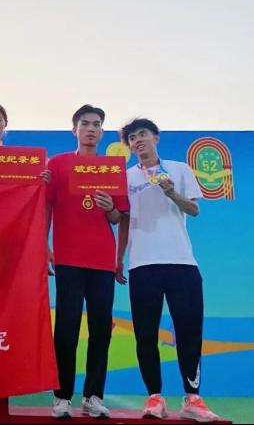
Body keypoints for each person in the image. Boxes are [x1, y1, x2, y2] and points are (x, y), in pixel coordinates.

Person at [117, 118, 219, 422]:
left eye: (143, 134)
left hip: (182, 263)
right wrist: (118, 258)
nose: (138, 140)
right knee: (145, 334)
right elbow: (122, 220)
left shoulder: (179, 169)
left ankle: (193, 399)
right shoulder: (126, 177)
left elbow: (194, 209)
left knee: (188, 331)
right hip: (142, 265)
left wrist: (171, 193)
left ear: (156, 137)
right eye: (132, 138)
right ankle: (155, 398)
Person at [47, 104, 128, 419]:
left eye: (96, 124)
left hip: (102, 260)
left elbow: (117, 217)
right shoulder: (58, 164)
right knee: (66, 328)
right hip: (68, 258)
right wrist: (43, 245)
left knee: (101, 329)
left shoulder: (111, 168)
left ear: (102, 132)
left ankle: (93, 396)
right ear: (74, 130)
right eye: (85, 124)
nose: (91, 129)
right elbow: (45, 207)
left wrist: (110, 208)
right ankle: (62, 396)